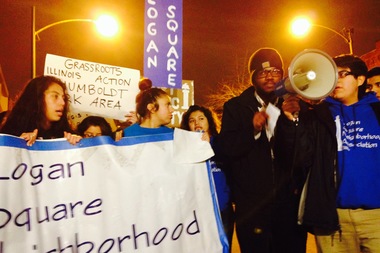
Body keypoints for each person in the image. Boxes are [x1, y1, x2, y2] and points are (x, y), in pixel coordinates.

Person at [219, 47, 307, 253]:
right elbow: (226, 149)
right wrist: (253, 129)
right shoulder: (236, 107)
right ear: (252, 78)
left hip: (288, 203)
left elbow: (303, 151)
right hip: (252, 206)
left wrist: (292, 120)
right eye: (262, 73)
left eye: (276, 71)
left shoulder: (293, 103)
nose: (270, 77)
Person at [296, 54, 380, 252]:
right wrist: (292, 121)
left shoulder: (377, 112)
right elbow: (300, 157)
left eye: (343, 74)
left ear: (360, 79)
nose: (336, 80)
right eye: (333, 75)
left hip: (376, 217)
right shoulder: (317, 115)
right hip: (333, 217)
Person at [180, 105, 234, 252]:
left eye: (201, 118)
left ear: (209, 121)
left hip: (222, 209)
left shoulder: (221, 143)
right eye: (192, 120)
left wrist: (210, 145)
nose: (197, 123)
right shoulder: (183, 148)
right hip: (196, 210)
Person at [0, 75, 81, 146]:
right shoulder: (10, 131)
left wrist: (79, 145)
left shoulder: (66, 134)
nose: (62, 103)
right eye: (55, 96)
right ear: (37, 98)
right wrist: (16, 145)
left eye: (64, 98)